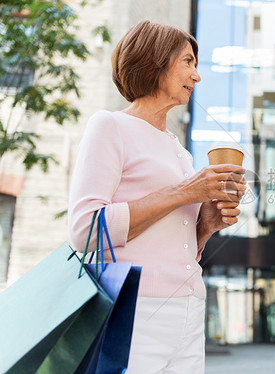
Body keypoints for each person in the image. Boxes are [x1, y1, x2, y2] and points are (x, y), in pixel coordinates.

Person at [67, 21, 247, 374]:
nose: (197, 76)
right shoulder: (110, 126)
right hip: (135, 309)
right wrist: (183, 192)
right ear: (156, 61)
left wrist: (206, 227)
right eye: (188, 62)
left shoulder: (179, 151)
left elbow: (170, 241)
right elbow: (86, 230)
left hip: (190, 310)